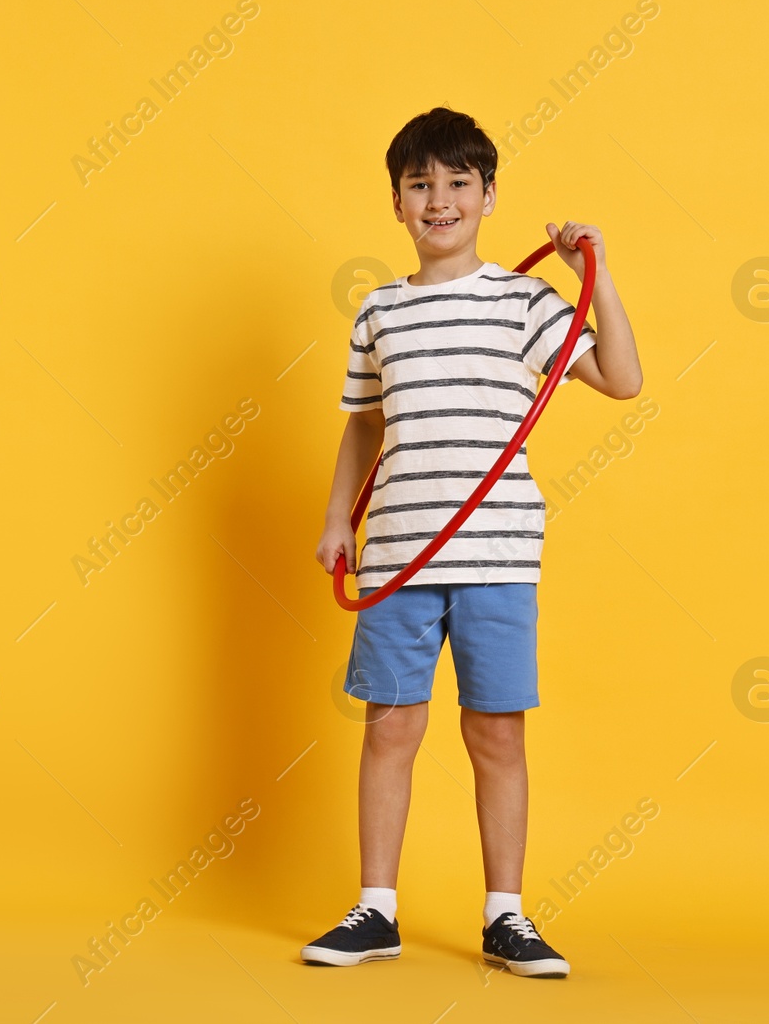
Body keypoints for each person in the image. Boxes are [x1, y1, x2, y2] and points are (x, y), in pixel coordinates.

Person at [303, 106, 643, 978]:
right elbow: (364, 424)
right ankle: (376, 909)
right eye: (421, 184)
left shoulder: (525, 300)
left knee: (497, 736)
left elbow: (621, 377)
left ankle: (507, 916)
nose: (439, 199)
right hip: (397, 559)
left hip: (495, 556)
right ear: (397, 203)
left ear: (489, 196)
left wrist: (589, 274)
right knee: (389, 727)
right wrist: (341, 514)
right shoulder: (378, 310)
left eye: (458, 183)